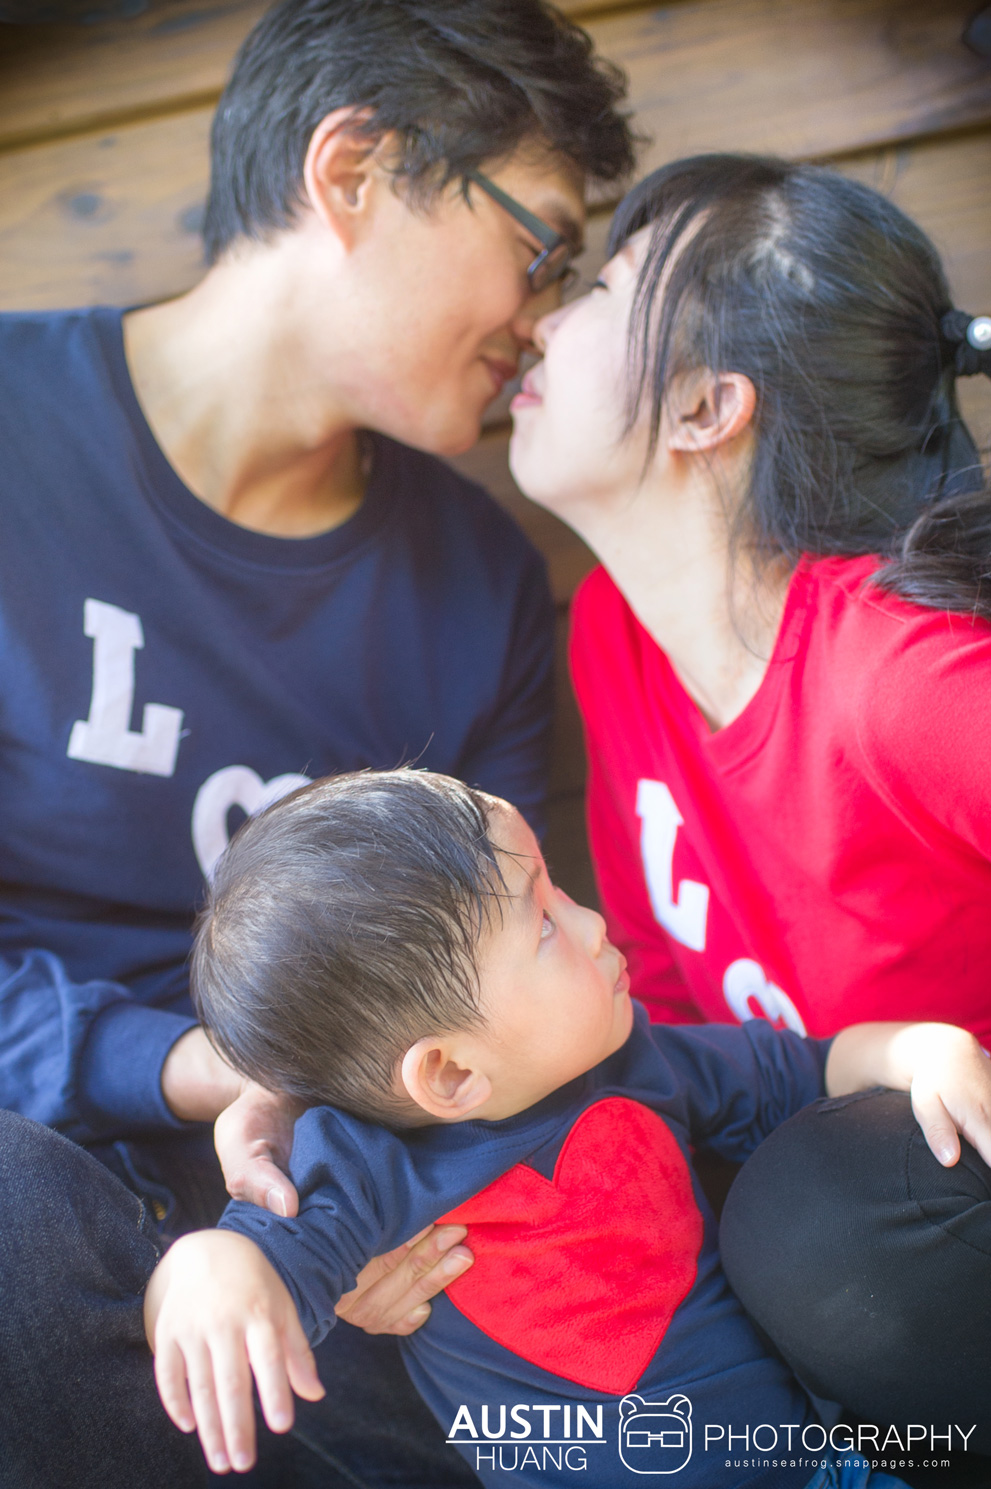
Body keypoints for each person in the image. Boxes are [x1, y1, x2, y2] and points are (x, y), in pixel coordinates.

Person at [0, 2, 635, 1484]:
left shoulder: (478, 586)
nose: (546, 321)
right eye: (538, 247)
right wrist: (193, 1066)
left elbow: (497, 995)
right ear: (350, 173)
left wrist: (364, 1182)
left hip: (322, 1184)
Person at [505, 153, 991, 1453]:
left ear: (704, 408)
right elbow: (665, 1007)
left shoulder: (901, 681)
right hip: (859, 1224)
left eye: (601, 290)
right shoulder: (612, 635)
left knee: (816, 1219)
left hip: (906, 1217)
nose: (541, 317)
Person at [144, 766, 991, 1488]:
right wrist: (207, 1259)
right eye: (544, 921)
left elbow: (806, 1067)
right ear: (449, 1072)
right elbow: (268, 1257)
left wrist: (923, 1046)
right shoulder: (361, 1167)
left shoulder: (637, 1059)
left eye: (560, 890)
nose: (592, 923)